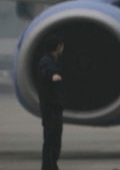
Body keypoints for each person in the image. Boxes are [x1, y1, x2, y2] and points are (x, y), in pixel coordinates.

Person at [38, 33, 65, 170]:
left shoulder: (54, 61)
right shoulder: (46, 61)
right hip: (50, 108)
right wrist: (52, 75)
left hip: (55, 107)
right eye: (61, 46)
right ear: (58, 47)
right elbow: (45, 71)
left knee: (55, 140)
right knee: (51, 139)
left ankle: (52, 166)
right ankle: (48, 167)